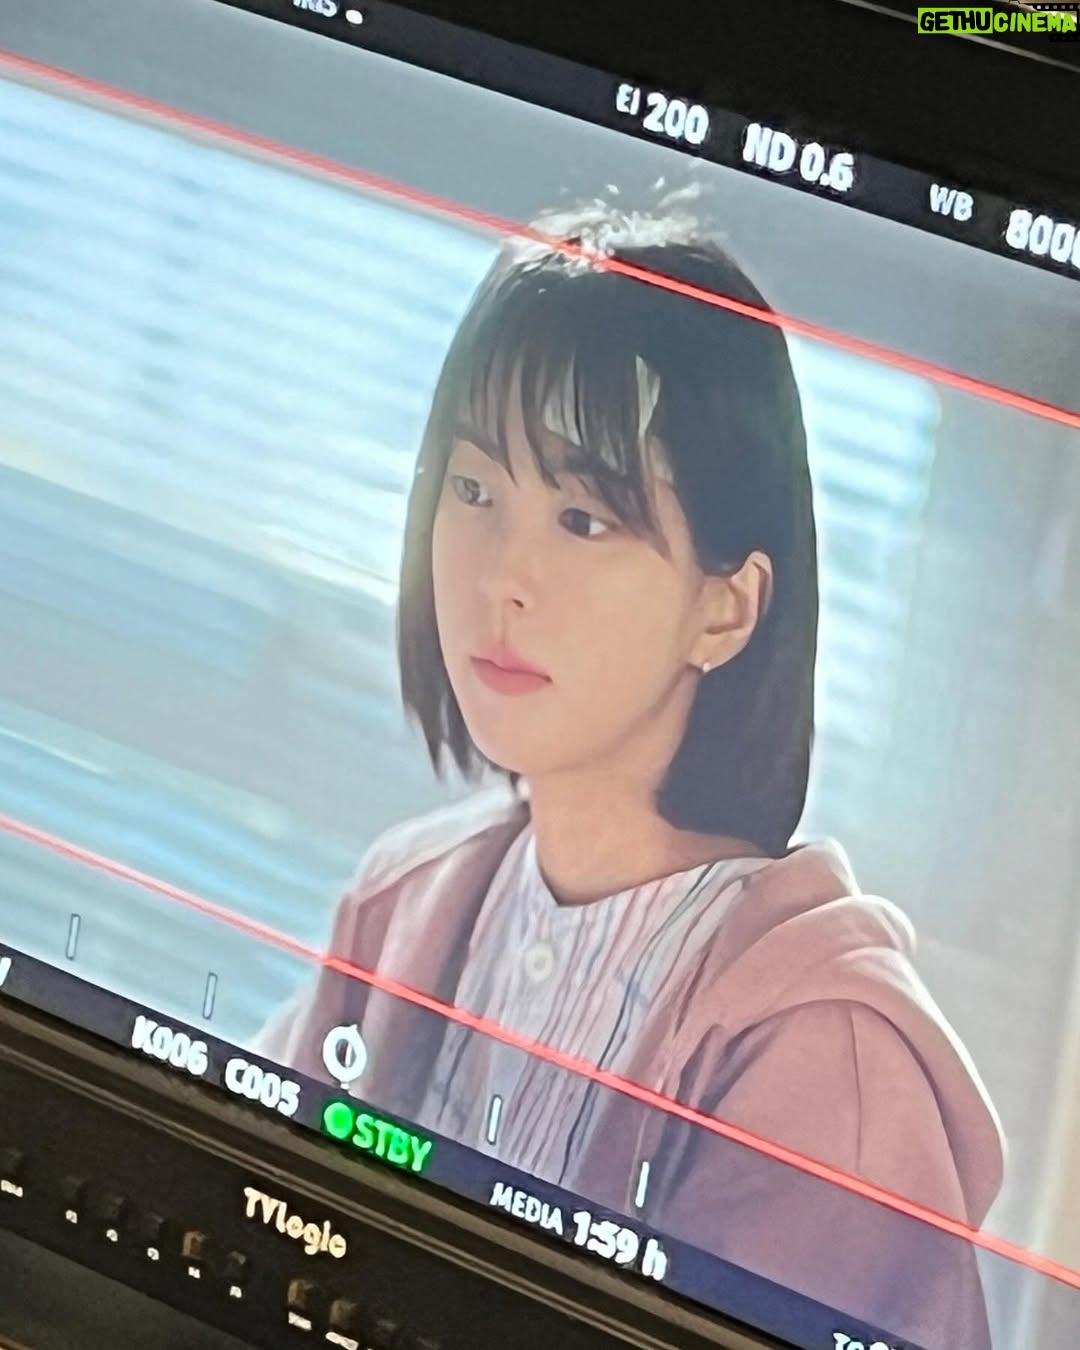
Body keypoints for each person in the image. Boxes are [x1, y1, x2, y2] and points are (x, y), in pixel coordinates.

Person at [252, 197, 1005, 1348]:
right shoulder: (405, 900)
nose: (502, 577)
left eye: (583, 518)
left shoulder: (827, 1054)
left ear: (726, 608)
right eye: (474, 491)